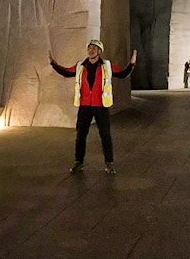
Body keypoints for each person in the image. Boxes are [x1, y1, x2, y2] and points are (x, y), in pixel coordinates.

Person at [50, 40, 137, 175]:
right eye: (89, 48)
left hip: (101, 106)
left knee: (105, 136)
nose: (90, 50)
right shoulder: (80, 66)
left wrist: (131, 64)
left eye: (94, 48)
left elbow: (122, 74)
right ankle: (78, 162)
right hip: (84, 106)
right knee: (80, 136)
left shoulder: (106, 66)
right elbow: (66, 72)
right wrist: (52, 63)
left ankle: (109, 163)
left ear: (99, 51)